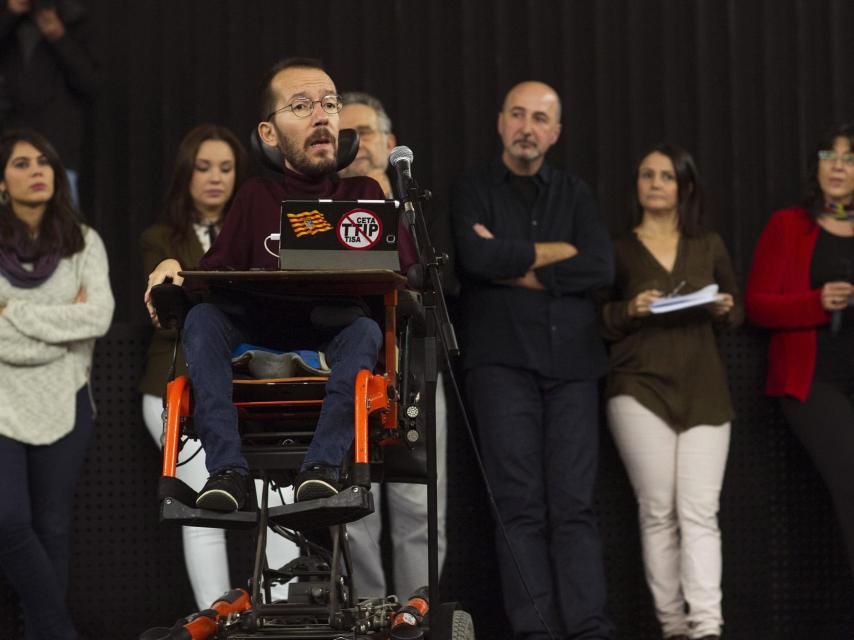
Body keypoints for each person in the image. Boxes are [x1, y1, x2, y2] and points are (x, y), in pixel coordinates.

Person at [144, 57, 415, 513]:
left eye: (329, 103)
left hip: (335, 330)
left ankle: (322, 469)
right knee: (205, 317)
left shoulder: (363, 195)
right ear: (269, 133)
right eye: (302, 105)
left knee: (366, 331)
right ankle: (227, 471)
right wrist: (172, 267)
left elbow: (411, 280)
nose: (321, 115)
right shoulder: (256, 197)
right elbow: (207, 280)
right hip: (257, 328)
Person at [450, 80, 614, 640]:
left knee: (575, 506)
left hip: (573, 366)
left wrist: (513, 264)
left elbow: (599, 266)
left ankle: (589, 628)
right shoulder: (472, 187)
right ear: (500, 123)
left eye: (539, 118)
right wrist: (552, 258)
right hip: (499, 365)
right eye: (518, 115)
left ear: (556, 132)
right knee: (518, 506)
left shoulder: (576, 192)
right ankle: (537, 631)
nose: (527, 127)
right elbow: (474, 256)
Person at [138, 124, 298, 608]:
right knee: (205, 509)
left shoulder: (260, 229)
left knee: (282, 504)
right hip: (176, 388)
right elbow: (168, 324)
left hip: (253, 384)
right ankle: (217, 619)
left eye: (226, 168)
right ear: (185, 175)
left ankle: (281, 615)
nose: (214, 178)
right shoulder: (158, 238)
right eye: (203, 167)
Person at [598, 144, 741, 640]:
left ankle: (706, 627)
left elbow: (736, 310)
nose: (655, 183)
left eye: (666, 176)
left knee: (699, 511)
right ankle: (673, 626)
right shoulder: (619, 248)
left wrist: (724, 307)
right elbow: (599, 319)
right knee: (658, 510)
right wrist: (631, 309)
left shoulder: (709, 244)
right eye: (647, 174)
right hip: (638, 387)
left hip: (704, 391)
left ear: (686, 186)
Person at [0, 129, 113, 639]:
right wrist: (59, 325)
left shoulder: (84, 241)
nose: (37, 170)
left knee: (55, 528)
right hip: (2, 404)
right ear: (2, 182)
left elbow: (99, 317)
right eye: (21, 163)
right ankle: (57, 630)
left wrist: (13, 311)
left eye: (44, 161)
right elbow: (74, 323)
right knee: (8, 522)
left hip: (67, 398)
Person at [338, 91, 447, 599]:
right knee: (354, 512)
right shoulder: (325, 212)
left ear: (391, 143)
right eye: (347, 136)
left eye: (366, 134)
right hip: (347, 370)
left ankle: (414, 620)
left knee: (419, 508)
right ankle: (368, 621)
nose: (357, 146)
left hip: (415, 368)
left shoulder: (417, 212)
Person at [746, 123, 854, 579]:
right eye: (830, 156)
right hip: (814, 383)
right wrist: (815, 303)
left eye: (849, 158)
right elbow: (757, 306)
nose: (838, 166)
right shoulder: (788, 225)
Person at [0, 0, 99, 206]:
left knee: (63, 227)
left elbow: (91, 83)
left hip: (59, 149)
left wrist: (58, 36)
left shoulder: (73, 19)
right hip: (7, 146)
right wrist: (10, 14)